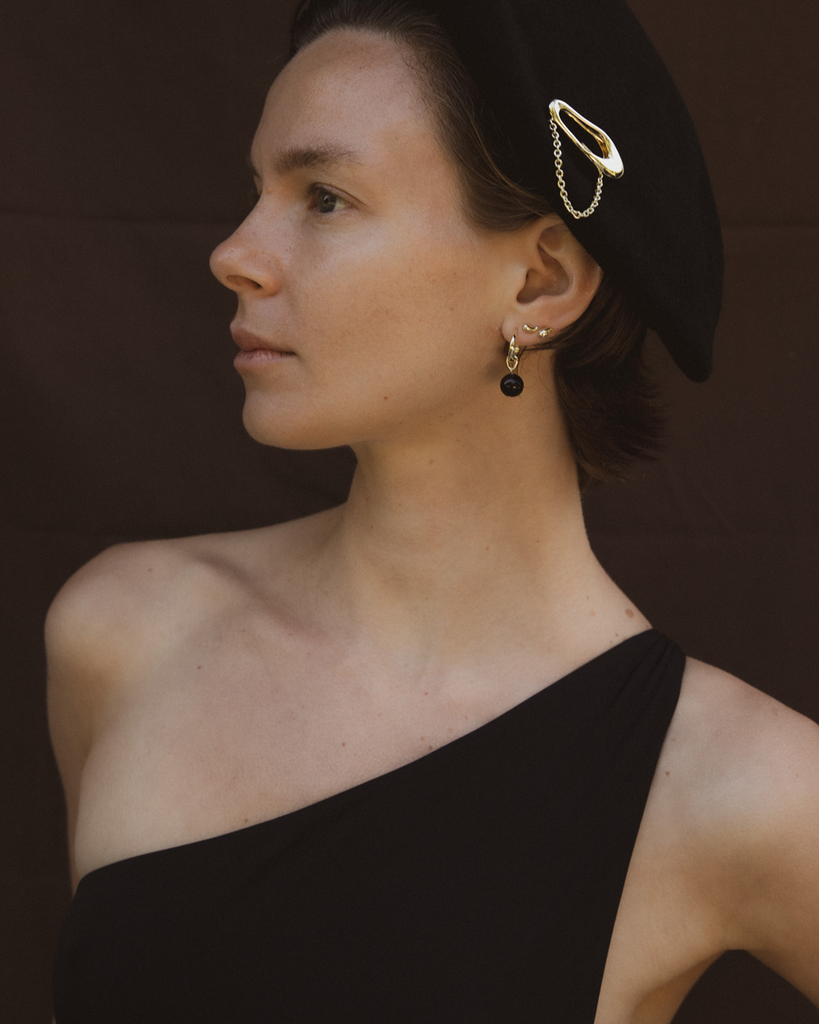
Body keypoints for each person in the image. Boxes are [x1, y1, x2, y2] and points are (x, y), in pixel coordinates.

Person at [47, 0, 819, 1020]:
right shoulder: (124, 634)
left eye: (325, 197)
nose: (234, 252)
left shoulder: (733, 786)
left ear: (540, 281)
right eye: (257, 190)